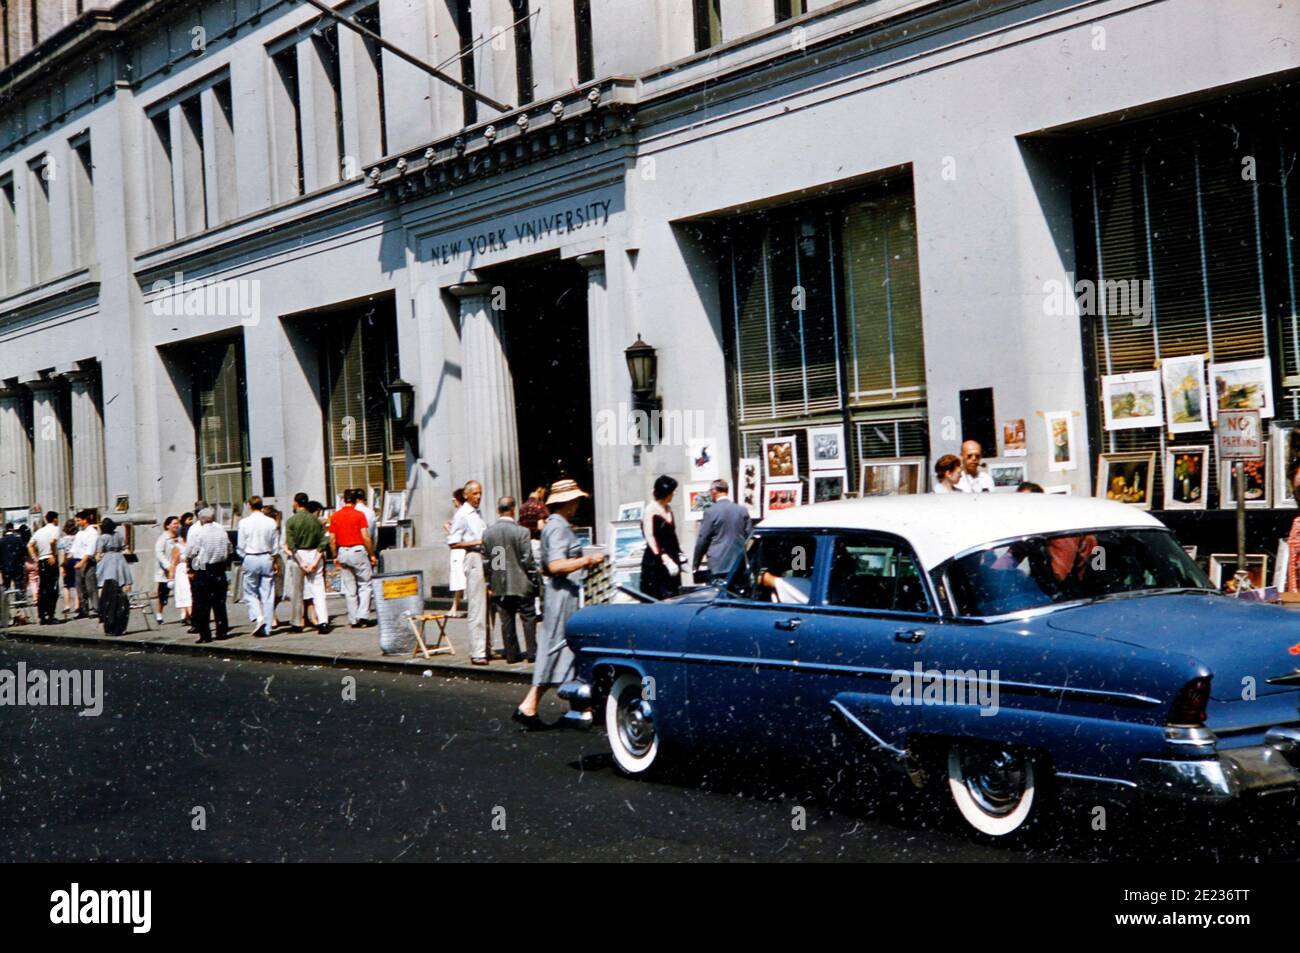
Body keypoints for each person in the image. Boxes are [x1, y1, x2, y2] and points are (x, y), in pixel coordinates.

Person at [513, 480, 605, 731]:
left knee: (567, 648)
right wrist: (586, 560)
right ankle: (529, 705)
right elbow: (554, 565)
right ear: (567, 503)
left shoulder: (558, 526)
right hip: (561, 596)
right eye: (575, 501)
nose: (577, 505)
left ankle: (578, 707)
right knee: (557, 646)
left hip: (564, 595)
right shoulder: (557, 527)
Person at [483, 495, 537, 664]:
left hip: (501, 583)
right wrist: (533, 577)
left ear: (498, 510)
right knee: (528, 617)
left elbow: (490, 561)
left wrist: (492, 581)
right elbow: (527, 559)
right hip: (522, 582)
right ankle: (531, 652)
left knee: (506, 620)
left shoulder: (489, 533)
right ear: (513, 510)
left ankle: (512, 654)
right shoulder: (522, 531)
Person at [448, 480, 489, 662]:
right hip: (473, 557)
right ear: (466, 495)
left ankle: (487, 647)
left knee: (487, 605)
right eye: (475, 494)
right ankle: (478, 652)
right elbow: (453, 542)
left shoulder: (477, 513)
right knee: (477, 606)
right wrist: (477, 542)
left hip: (484, 557)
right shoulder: (462, 514)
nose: (478, 497)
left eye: (480, 493)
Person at [328, 489, 377, 627]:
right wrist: (372, 554)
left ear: (344, 500)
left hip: (342, 551)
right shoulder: (359, 515)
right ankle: (363, 615)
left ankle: (353, 618)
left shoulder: (335, 516)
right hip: (358, 550)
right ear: (356, 500)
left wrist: (334, 555)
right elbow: (366, 537)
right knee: (365, 584)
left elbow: (332, 539)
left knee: (350, 589)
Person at [284, 492, 329, 634]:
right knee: (318, 590)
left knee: (297, 591)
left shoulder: (291, 521)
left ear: (296, 503)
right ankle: (323, 622)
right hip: (315, 553)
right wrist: (315, 561)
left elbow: (291, 545)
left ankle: (297, 623)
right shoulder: (317, 520)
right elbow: (324, 541)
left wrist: (302, 562)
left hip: (299, 555)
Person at [185, 507, 232, 644]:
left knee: (202, 603)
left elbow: (191, 553)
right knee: (219, 603)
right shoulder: (222, 532)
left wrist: (192, 570)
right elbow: (229, 549)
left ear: (201, 519)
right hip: (219, 568)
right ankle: (222, 631)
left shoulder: (198, 533)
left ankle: (205, 634)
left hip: (203, 568)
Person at [692, 478, 752, 583]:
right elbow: (750, 536)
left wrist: (695, 564)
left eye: (710, 491)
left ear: (714, 491)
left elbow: (703, 539)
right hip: (738, 563)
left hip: (717, 565)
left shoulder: (710, 512)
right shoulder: (742, 510)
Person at [236, 495, 279, 638]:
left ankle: (258, 617)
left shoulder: (244, 522)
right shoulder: (271, 522)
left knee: (250, 591)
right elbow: (275, 544)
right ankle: (267, 627)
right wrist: (273, 557)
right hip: (266, 556)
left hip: (251, 556)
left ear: (249, 505)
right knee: (268, 593)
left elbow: (241, 545)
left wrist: (244, 556)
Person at [639, 475, 683, 600]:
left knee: (674, 594)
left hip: (672, 557)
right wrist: (663, 557)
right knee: (658, 596)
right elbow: (650, 536)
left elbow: (672, 534)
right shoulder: (651, 510)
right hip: (656, 561)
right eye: (672, 491)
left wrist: (680, 554)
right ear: (666, 493)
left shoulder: (668, 509)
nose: (674, 493)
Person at [27, 511, 61, 625]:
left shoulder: (39, 531)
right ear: (55, 519)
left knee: (43, 588)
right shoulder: (56, 529)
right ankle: (51, 615)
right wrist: (53, 554)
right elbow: (53, 541)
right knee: (53, 588)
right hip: (51, 559)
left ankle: (42, 615)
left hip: (41, 560)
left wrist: (35, 558)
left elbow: (30, 545)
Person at [70, 510, 100, 617]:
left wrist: (82, 562)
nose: (77, 523)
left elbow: (90, 550)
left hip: (87, 562)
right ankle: (83, 609)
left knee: (90, 586)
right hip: (77, 561)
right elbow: (74, 548)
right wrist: (69, 558)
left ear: (85, 520)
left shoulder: (93, 533)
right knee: (80, 587)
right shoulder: (79, 533)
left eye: (78, 520)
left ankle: (96, 608)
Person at [95, 518, 134, 593]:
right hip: (119, 557)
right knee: (122, 579)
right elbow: (124, 547)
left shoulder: (102, 537)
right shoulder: (118, 534)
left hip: (107, 558)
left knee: (106, 580)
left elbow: (98, 553)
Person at [170, 513, 194, 630]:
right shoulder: (178, 547)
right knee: (184, 592)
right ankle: (188, 614)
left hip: (191, 569)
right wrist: (171, 578)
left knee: (190, 592)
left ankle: (189, 614)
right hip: (181, 570)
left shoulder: (193, 545)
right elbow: (173, 563)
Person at [154, 516, 180, 625]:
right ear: (167, 525)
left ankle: (185, 614)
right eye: (174, 523)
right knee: (163, 594)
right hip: (165, 571)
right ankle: (159, 613)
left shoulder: (179, 538)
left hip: (179, 569)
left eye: (178, 523)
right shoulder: (163, 538)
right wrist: (168, 566)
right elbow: (159, 553)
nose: (177, 526)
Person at [445, 487, 466, 617]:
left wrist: (448, 529)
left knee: (459, 578)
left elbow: (457, 537)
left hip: (459, 551)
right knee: (459, 578)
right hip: (461, 550)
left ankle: (454, 607)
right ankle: (454, 606)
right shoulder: (464, 513)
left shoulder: (460, 514)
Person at [57, 519, 78, 618]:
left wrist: (61, 566)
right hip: (77, 560)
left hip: (67, 561)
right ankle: (78, 605)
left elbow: (61, 553)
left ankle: (67, 605)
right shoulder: (78, 538)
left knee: (66, 586)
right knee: (78, 585)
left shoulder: (62, 540)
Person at [1, 523, 27, 594]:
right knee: (18, 583)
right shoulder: (18, 539)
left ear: (6, 529)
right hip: (17, 566)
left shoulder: (1, 541)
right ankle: (18, 601)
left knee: (6, 585)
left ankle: (5, 602)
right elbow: (24, 550)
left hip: (5, 567)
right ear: (12, 529)